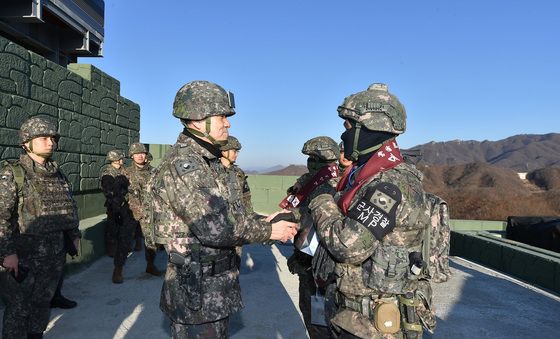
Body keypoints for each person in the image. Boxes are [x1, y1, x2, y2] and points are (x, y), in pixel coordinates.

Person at [147, 80, 298, 338]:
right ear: (197, 119)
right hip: (197, 293)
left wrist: (265, 220)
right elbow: (215, 230)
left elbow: (230, 213)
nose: (228, 124)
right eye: (221, 117)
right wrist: (270, 231)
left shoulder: (210, 162)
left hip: (215, 287)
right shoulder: (186, 165)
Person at [308, 83, 436, 338]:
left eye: (347, 128)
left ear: (370, 129)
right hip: (355, 318)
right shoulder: (367, 176)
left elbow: (348, 246)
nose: (342, 137)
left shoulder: (388, 185)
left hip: (373, 325)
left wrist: (321, 201)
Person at [0, 117, 80, 338]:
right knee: (18, 309)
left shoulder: (58, 174)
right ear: (26, 143)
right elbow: (1, 217)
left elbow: (68, 206)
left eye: (53, 138)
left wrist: (73, 234)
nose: (50, 142)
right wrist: (7, 253)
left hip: (54, 254)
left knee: (42, 304)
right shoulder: (14, 174)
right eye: (43, 138)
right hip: (23, 257)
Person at [283, 136, 340, 339]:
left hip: (326, 266)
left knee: (328, 322)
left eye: (317, 159)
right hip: (306, 263)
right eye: (310, 159)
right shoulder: (307, 182)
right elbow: (294, 207)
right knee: (311, 316)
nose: (312, 164)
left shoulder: (338, 184)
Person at [124, 142, 161, 276]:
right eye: (136, 153)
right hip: (130, 213)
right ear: (131, 156)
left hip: (149, 213)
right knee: (124, 240)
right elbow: (121, 193)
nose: (140, 156)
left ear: (146, 155)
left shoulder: (154, 172)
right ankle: (118, 269)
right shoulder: (126, 173)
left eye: (142, 153)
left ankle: (150, 265)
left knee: (151, 242)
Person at [100, 149, 135, 284]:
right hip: (114, 208)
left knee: (124, 234)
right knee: (113, 231)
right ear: (115, 160)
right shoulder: (107, 173)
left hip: (125, 207)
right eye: (120, 159)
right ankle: (113, 251)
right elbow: (109, 192)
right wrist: (116, 207)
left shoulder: (123, 171)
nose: (122, 161)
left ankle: (119, 261)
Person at [219, 136, 254, 214]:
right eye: (234, 151)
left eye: (237, 152)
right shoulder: (213, 171)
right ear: (224, 150)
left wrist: (250, 215)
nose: (236, 154)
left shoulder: (238, 172)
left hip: (240, 217)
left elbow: (246, 197)